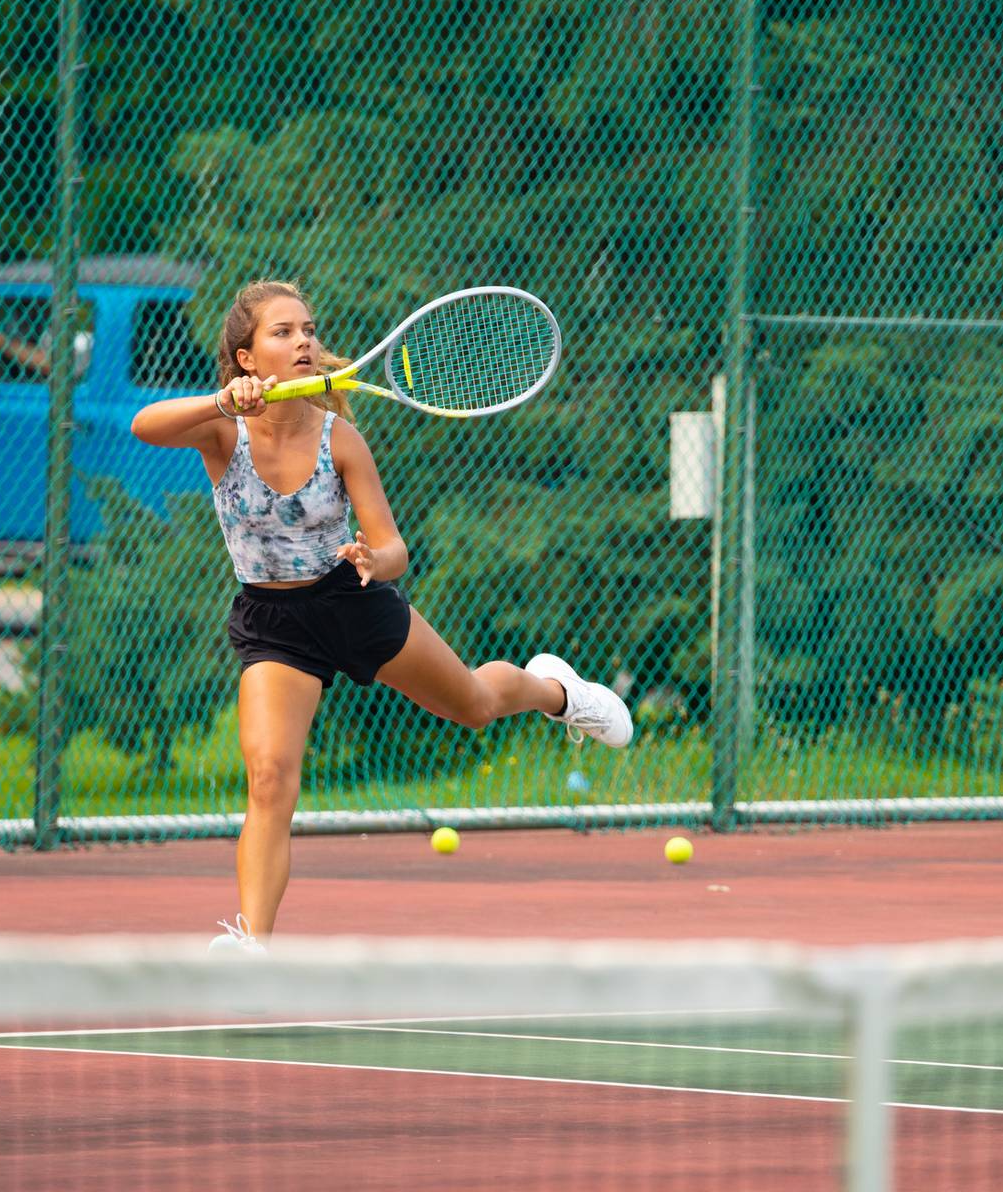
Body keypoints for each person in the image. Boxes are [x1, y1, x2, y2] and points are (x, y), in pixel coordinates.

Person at [129, 280, 632, 953]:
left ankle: (557, 691)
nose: (303, 340)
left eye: (307, 328)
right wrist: (221, 400)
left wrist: (375, 560)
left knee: (477, 706)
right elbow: (143, 425)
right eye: (282, 332)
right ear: (247, 359)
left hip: (353, 601)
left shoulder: (341, 438)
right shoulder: (222, 430)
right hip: (275, 625)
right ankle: (253, 945)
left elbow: (394, 546)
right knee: (270, 777)